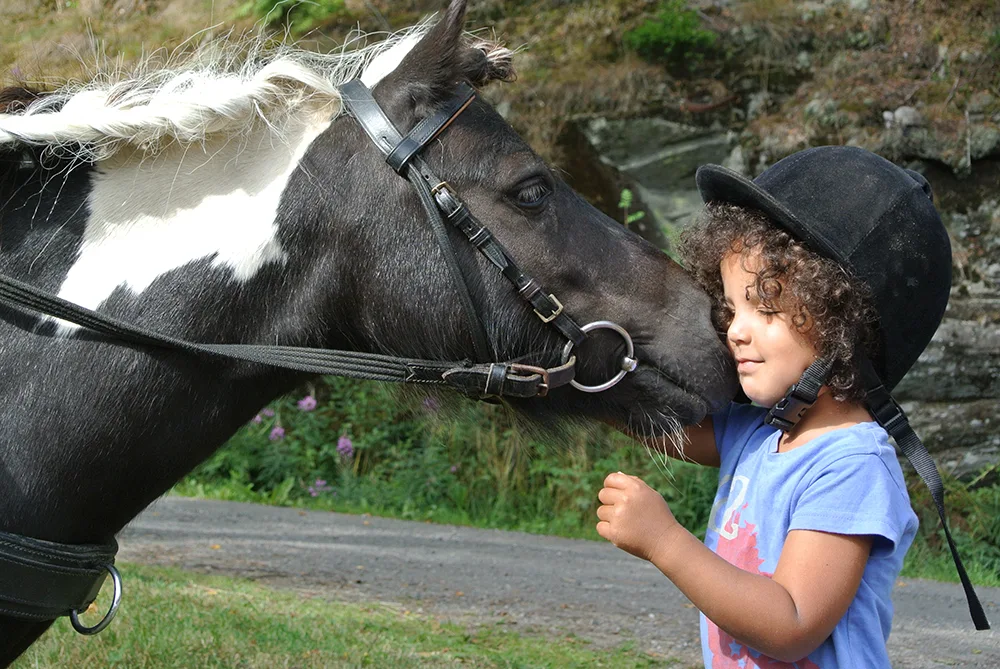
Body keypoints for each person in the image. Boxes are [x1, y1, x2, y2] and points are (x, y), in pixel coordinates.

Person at [596, 146, 988, 668]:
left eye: (766, 307)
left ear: (843, 325)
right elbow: (671, 426)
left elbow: (792, 623)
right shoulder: (763, 432)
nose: (735, 329)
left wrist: (665, 541)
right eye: (733, 307)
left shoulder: (851, 466)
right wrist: (588, 384)